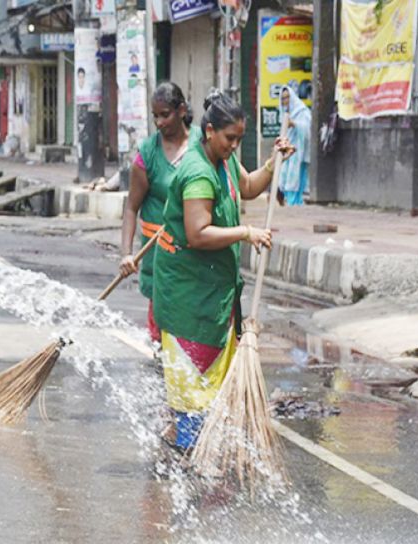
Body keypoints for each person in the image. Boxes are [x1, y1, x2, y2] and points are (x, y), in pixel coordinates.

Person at [152, 90, 293, 451]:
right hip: (188, 300)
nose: (234, 145)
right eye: (230, 138)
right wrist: (246, 233)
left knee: (210, 393)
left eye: (239, 139)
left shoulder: (224, 160)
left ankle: (197, 455)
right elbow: (198, 233)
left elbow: (246, 188)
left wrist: (271, 164)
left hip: (213, 295)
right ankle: (187, 458)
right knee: (192, 399)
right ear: (209, 132)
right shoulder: (198, 171)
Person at [119, 82, 201, 344]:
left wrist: (269, 166)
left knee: (196, 339)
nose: (159, 122)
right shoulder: (148, 154)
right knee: (163, 343)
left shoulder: (204, 143)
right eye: (155, 116)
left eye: (164, 114)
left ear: (181, 111)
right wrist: (126, 254)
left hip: (197, 258)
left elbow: (238, 185)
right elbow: (131, 208)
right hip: (160, 261)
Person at [278, 85, 311, 206]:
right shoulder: (284, 113)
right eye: (283, 98)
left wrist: (295, 124)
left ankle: (296, 200)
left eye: (287, 98)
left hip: (299, 150)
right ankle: (288, 199)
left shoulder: (301, 111)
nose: (285, 101)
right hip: (287, 149)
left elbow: (308, 128)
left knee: (297, 176)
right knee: (286, 174)